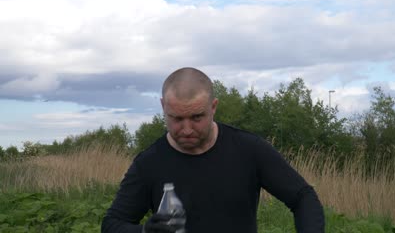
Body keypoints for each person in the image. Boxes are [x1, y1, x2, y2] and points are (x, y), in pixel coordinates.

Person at [101, 67, 325, 233]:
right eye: (176, 118)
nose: (187, 129)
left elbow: (303, 197)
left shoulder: (249, 150)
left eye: (197, 117)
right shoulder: (149, 163)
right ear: (163, 107)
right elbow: (112, 225)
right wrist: (144, 231)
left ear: (213, 107)